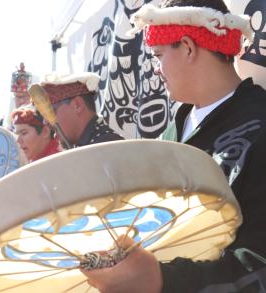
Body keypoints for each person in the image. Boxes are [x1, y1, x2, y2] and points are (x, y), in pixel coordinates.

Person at [82, 0, 266, 292]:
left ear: (188, 47)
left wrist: (163, 280)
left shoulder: (260, 127)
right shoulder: (167, 137)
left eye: (157, 55)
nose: (156, 69)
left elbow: (259, 264)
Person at [37, 72, 124, 148]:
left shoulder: (106, 146)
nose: (45, 121)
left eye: (51, 111)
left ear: (77, 105)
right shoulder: (91, 145)